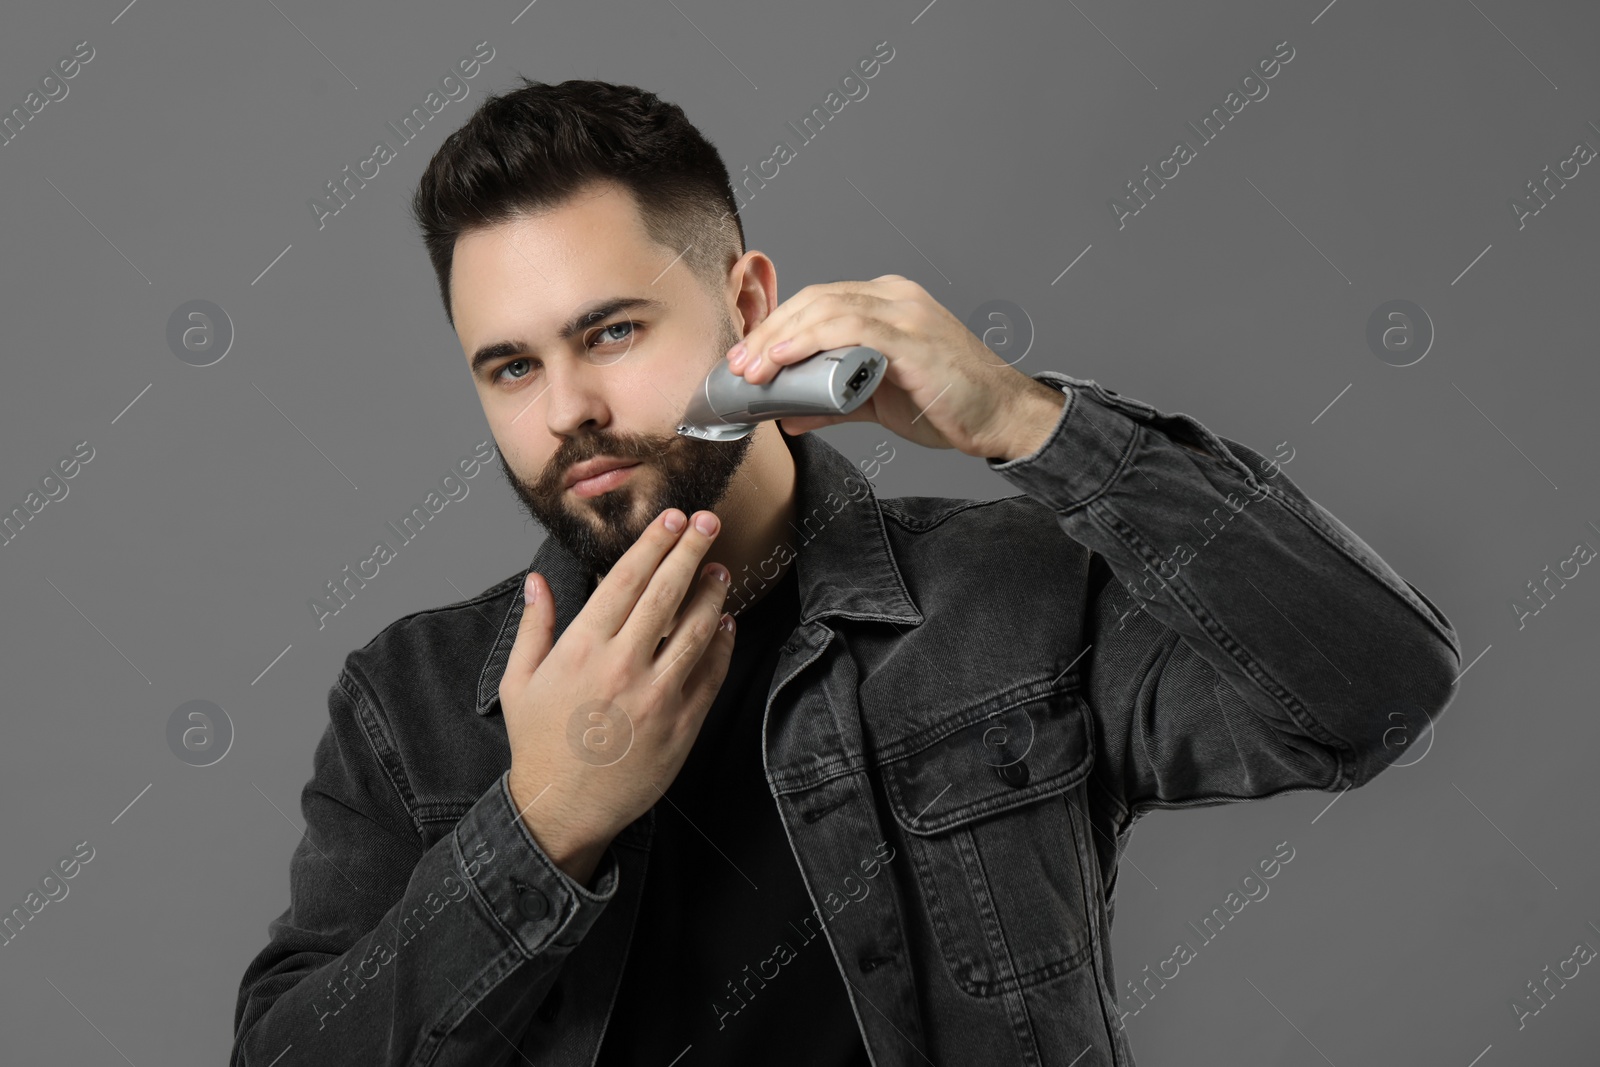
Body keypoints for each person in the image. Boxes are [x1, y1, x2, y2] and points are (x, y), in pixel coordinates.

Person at [231, 78, 1461, 1066]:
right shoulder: (415, 700)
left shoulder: (1013, 597)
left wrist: (1027, 420)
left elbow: (1377, 687)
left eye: (611, 331)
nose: (569, 411)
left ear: (748, 302)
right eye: (509, 367)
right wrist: (544, 821)